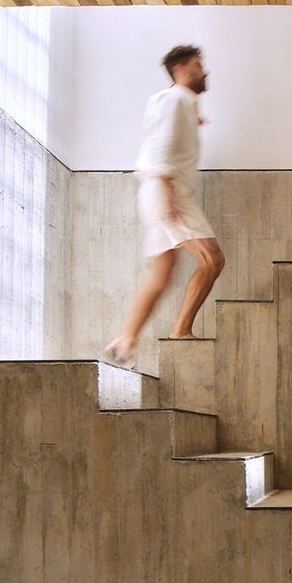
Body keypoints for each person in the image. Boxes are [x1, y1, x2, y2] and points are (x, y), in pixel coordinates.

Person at [105, 45, 225, 368]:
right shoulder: (175, 100)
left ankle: (125, 340)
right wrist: (168, 194)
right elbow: (160, 147)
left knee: (161, 277)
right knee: (212, 259)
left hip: (159, 190)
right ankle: (181, 330)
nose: (205, 71)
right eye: (198, 65)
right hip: (168, 192)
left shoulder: (177, 101)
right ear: (180, 69)